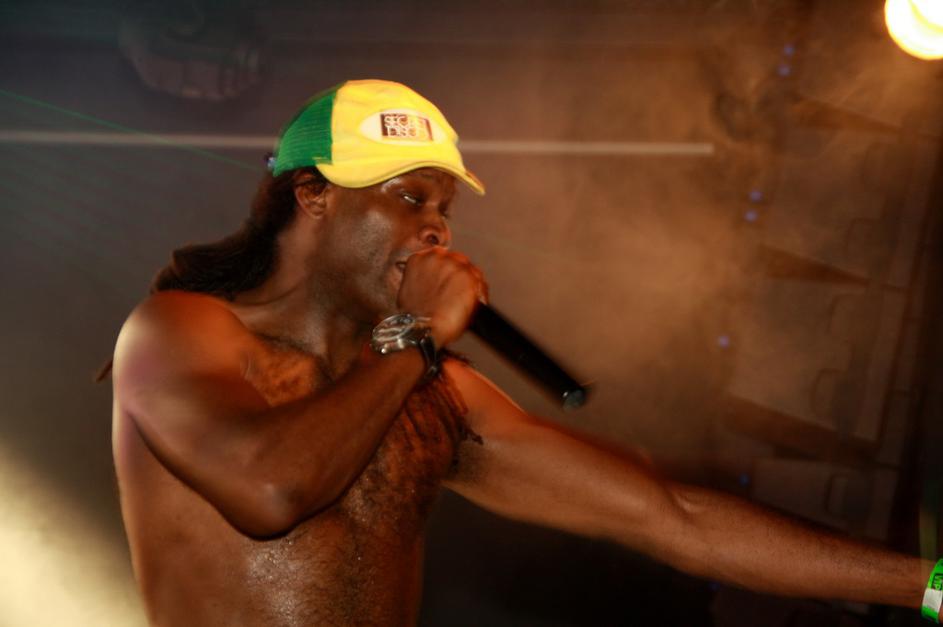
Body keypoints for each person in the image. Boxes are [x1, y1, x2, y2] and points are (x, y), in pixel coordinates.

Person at [109, 79, 942, 626]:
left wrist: (929, 587)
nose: (435, 228)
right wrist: (421, 336)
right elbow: (269, 489)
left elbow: (673, 518)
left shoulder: (430, 388)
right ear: (313, 194)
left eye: (443, 208)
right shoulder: (179, 330)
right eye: (409, 197)